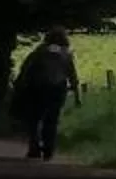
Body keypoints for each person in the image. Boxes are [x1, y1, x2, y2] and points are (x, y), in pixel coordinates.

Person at [10, 30, 83, 160]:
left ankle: (35, 147)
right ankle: (49, 148)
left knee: (34, 119)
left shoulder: (39, 52)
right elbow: (72, 76)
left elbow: (26, 69)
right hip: (58, 89)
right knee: (52, 120)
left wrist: (20, 86)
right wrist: (77, 96)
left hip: (38, 88)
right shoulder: (66, 54)